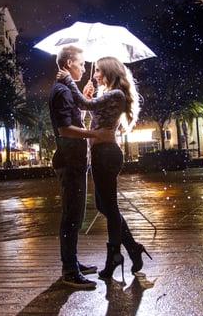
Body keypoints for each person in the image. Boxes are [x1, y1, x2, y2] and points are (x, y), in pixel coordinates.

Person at [57, 56, 152, 281]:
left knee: (110, 206)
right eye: (95, 70)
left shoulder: (116, 94)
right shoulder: (108, 95)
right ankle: (131, 248)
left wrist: (71, 82)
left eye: (99, 71)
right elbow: (94, 114)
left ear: (109, 71)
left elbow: (84, 105)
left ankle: (114, 257)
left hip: (107, 154)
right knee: (105, 205)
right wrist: (87, 95)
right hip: (101, 154)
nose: (95, 74)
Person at [49, 45, 113, 289]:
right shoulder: (61, 91)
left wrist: (83, 100)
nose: (84, 68)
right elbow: (65, 129)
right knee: (71, 216)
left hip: (75, 159)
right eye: (81, 63)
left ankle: (72, 262)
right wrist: (94, 133)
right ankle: (69, 270)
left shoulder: (67, 91)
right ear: (68, 64)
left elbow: (74, 120)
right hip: (70, 161)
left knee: (75, 215)